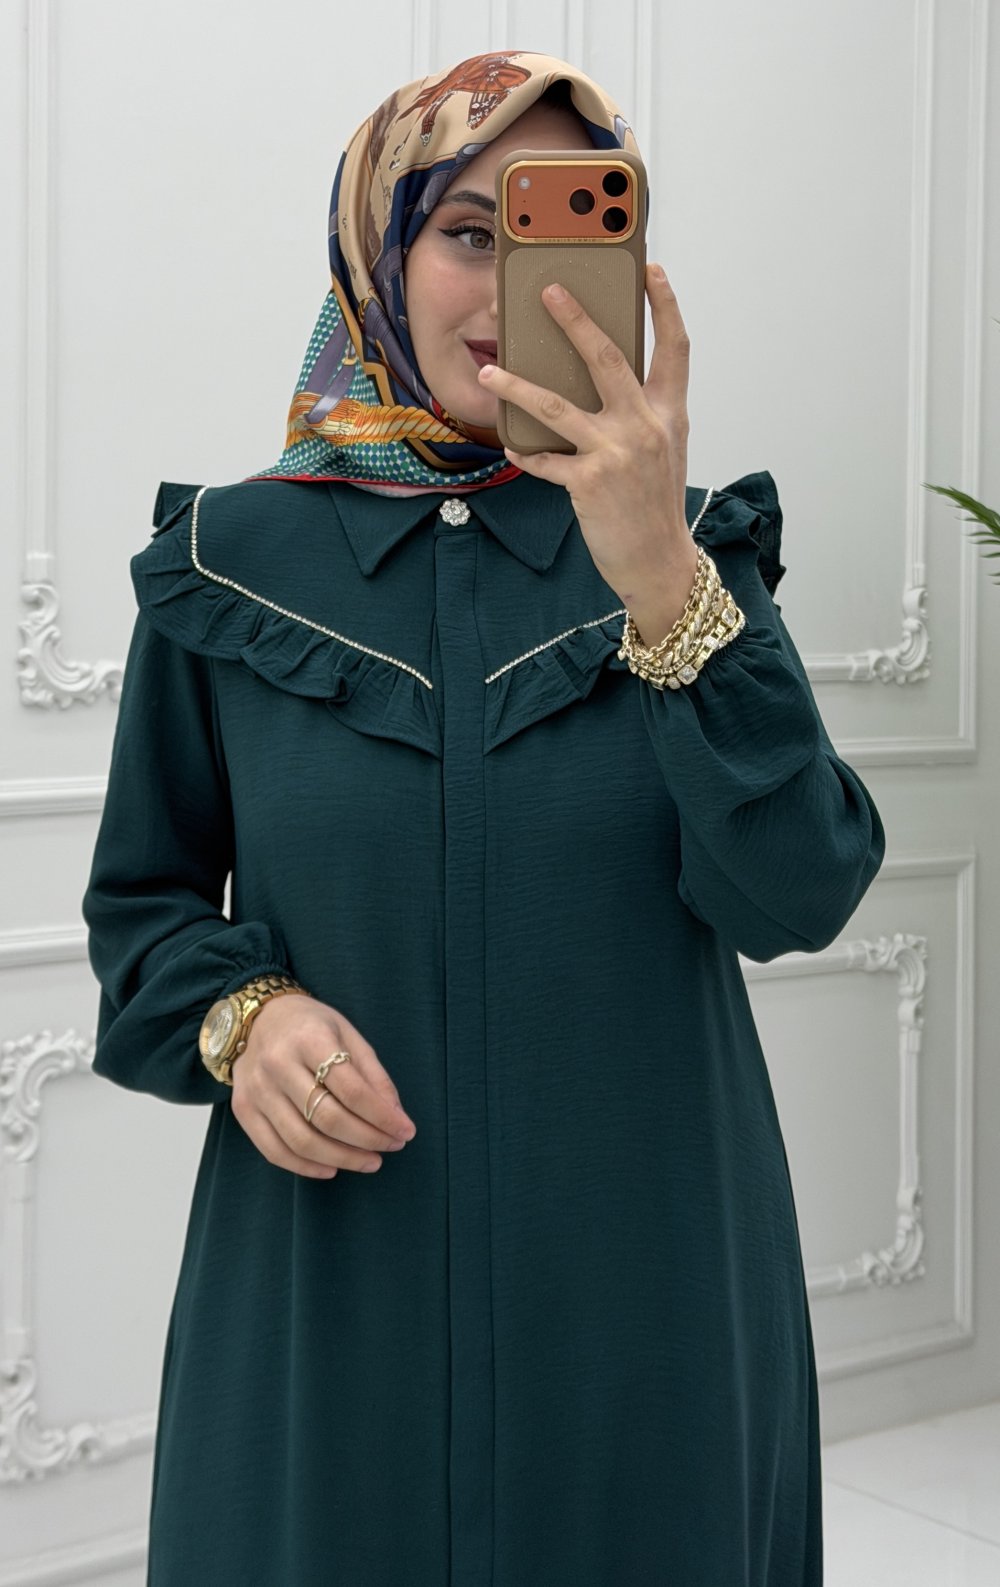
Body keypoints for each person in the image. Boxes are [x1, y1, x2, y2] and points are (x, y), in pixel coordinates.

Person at [82, 48, 885, 1586]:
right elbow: (144, 910)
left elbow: (801, 890)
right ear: (378, 251)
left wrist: (665, 583)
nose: (521, 285)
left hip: (647, 1304)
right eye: (468, 230)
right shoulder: (225, 565)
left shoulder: (691, 552)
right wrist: (247, 1019)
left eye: (573, 227)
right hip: (327, 1303)